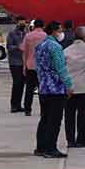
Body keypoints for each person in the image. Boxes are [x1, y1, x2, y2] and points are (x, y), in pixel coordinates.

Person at [34, 21, 73, 158]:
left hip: (43, 87)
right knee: (55, 120)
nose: (61, 33)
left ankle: (40, 147)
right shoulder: (55, 47)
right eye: (60, 30)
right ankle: (50, 148)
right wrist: (68, 85)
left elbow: (37, 67)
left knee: (44, 118)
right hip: (55, 88)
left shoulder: (40, 46)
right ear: (55, 31)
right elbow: (61, 68)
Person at [21, 19, 46, 115]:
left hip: (30, 65)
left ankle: (27, 109)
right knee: (42, 89)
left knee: (29, 89)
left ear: (34, 26)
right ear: (43, 26)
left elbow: (24, 52)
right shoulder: (46, 36)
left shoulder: (28, 36)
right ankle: (43, 110)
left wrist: (24, 66)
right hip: (42, 67)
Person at [7, 16, 28, 113]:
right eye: (21, 22)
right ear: (17, 23)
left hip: (24, 62)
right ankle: (13, 105)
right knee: (16, 83)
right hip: (15, 62)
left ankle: (19, 104)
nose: (22, 24)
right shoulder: (12, 34)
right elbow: (9, 47)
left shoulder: (26, 33)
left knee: (21, 84)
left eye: (24, 22)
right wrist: (18, 47)